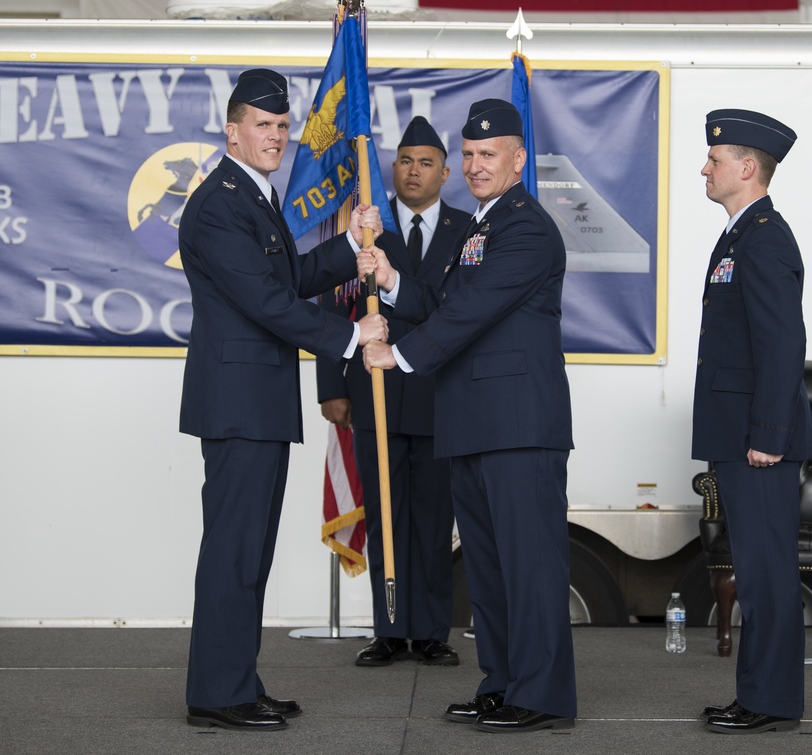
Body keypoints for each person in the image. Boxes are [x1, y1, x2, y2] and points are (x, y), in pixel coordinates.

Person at [178, 68, 388, 732]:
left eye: (280, 126)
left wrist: (349, 251)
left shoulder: (253, 196)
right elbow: (265, 302)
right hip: (239, 403)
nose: (275, 136)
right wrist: (351, 336)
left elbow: (290, 276)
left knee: (249, 552)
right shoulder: (219, 204)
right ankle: (217, 691)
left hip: (256, 402)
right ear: (232, 131)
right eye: (262, 126)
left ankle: (236, 679)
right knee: (234, 552)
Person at [361, 99, 577, 733]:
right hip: (474, 422)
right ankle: (504, 683)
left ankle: (542, 697)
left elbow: (470, 311)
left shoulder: (527, 227)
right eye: (471, 155)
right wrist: (394, 281)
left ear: (518, 160)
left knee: (529, 568)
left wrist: (397, 354)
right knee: (488, 569)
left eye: (491, 155)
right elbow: (439, 300)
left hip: (516, 425)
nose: (477, 166)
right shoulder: (482, 227)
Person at [316, 116, 469, 667]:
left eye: (426, 162)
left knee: (432, 520)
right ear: (393, 168)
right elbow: (334, 301)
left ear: (445, 173)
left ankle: (429, 631)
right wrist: (331, 385)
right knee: (384, 515)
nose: (414, 171)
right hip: (374, 393)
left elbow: (462, 311)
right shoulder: (366, 228)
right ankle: (388, 629)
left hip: (440, 395)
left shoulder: (469, 230)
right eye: (405, 160)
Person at [693, 108, 812, 734]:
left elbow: (781, 343)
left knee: (766, 574)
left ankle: (769, 702)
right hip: (738, 432)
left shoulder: (765, 237)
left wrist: (768, 436)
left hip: (758, 439)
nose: (705, 169)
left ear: (747, 168)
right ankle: (759, 695)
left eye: (715, 161)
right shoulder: (740, 233)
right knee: (756, 570)